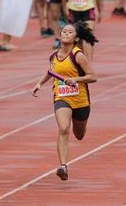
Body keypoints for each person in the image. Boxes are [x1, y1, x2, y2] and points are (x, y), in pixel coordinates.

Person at [32, 21, 98, 181]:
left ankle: (79, 128)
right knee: (63, 128)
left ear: (76, 38)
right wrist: (39, 83)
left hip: (80, 100)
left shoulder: (78, 55)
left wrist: (75, 79)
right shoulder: (53, 55)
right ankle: (63, 166)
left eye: (70, 32)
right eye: (64, 31)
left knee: (79, 134)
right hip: (61, 97)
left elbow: (93, 77)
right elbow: (51, 71)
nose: (66, 33)